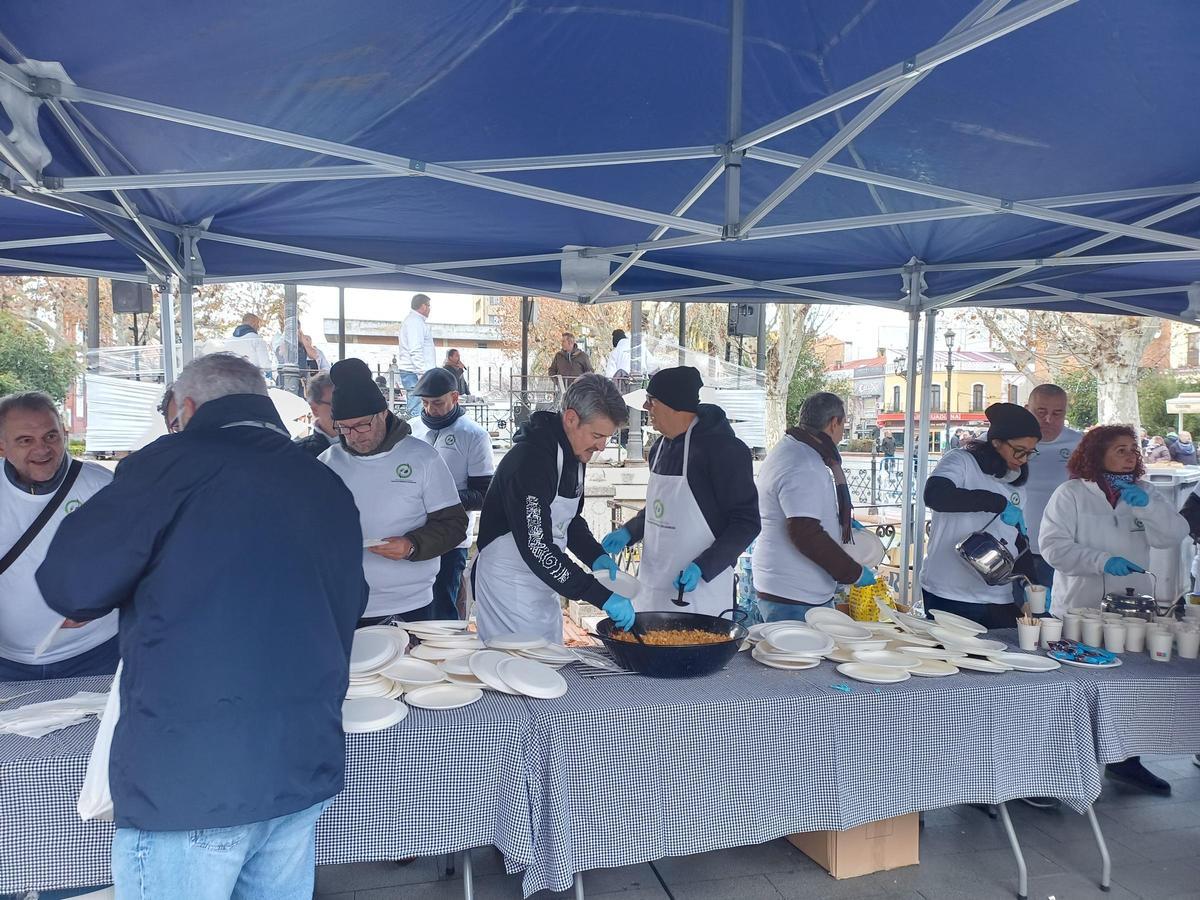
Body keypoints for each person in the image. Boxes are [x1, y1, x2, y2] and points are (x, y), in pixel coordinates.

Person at [36, 353, 367, 896]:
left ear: (186, 408)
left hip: (192, 774)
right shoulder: (324, 481)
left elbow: (72, 585)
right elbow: (351, 601)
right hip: (300, 761)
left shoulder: (171, 465)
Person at [1040, 425, 1188, 795]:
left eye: (1133, 450)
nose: (1130, 456)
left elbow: (1173, 535)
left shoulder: (1145, 492)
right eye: (1120, 449)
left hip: (1129, 608)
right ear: (1096, 453)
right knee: (1076, 689)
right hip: (1080, 605)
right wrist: (1102, 561)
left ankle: (1127, 761)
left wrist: (1148, 508)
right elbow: (1054, 548)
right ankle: (1060, 768)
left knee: (1128, 687)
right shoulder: (1071, 493)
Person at [473, 374, 634, 642]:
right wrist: (600, 596)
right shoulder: (530, 461)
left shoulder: (575, 453)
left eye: (607, 437)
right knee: (517, 661)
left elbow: (570, 520)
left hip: (543, 578)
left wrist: (595, 556)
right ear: (571, 419)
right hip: (508, 581)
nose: (602, 446)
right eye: (597, 435)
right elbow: (537, 546)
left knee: (549, 654)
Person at [600, 366, 760, 616]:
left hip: (702, 594)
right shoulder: (659, 448)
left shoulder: (725, 451)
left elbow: (746, 522)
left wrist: (704, 566)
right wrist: (629, 531)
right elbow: (662, 509)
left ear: (674, 405)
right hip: (652, 588)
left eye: (651, 401)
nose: (646, 407)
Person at [320, 358, 467, 624]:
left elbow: (454, 525)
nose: (354, 435)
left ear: (383, 414)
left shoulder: (423, 458)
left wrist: (412, 545)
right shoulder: (327, 463)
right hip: (345, 603)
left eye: (362, 424)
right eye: (344, 428)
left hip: (412, 603)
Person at [0, 392, 118, 681]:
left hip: (98, 653)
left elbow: (143, 559)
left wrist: (107, 595)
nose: (42, 449)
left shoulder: (103, 486)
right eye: (25, 440)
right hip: (7, 662)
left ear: (64, 434)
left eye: (51, 436)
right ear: (2, 446)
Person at [920, 402, 1044, 629]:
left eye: (1030, 452)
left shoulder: (1016, 483)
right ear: (996, 442)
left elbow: (1017, 539)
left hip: (997, 596)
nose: (1024, 459)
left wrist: (1031, 583)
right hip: (949, 592)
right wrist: (996, 503)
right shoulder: (961, 461)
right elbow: (935, 495)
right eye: (1019, 450)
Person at [751, 392, 873, 622]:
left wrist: (836, 522)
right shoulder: (804, 463)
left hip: (787, 588)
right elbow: (804, 532)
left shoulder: (789, 449)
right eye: (843, 424)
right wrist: (854, 573)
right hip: (794, 595)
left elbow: (802, 514)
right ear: (834, 423)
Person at [408, 367, 494, 620]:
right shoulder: (411, 430)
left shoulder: (474, 435)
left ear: (455, 397)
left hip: (451, 537)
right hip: (411, 532)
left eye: (437, 403)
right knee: (410, 608)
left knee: (443, 607)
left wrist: (438, 499)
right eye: (425, 403)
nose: (430, 410)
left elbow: (483, 494)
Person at [1021, 384, 1083, 599]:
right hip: (1014, 547)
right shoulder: (1005, 441)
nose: (1048, 419)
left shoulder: (1081, 445)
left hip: (1061, 547)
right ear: (1027, 409)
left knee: (1054, 613)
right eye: (1041, 412)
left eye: (1057, 413)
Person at [397, 293, 436, 416]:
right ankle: (416, 428)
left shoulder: (414, 321)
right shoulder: (415, 322)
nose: (429, 309)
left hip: (415, 372)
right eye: (428, 306)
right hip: (415, 372)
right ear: (423, 306)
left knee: (419, 406)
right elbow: (415, 350)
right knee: (417, 408)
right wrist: (422, 373)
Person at [294, 371, 337, 457]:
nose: (346, 409)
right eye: (337, 404)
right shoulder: (297, 454)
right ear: (315, 409)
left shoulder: (364, 447)